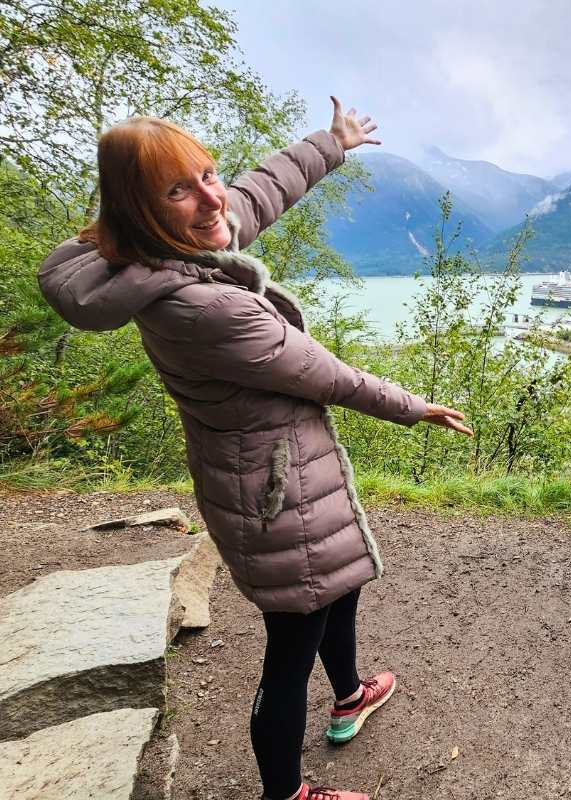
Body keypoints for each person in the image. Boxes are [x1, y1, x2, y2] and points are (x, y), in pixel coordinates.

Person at [38, 97, 469, 800]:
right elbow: (326, 374)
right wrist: (414, 407)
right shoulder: (202, 305)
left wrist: (331, 143)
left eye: (207, 174)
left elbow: (258, 190)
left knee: (340, 587)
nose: (212, 197)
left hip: (276, 469)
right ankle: (287, 794)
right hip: (274, 491)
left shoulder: (172, 249)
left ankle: (352, 693)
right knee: (289, 653)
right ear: (138, 209)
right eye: (179, 189)